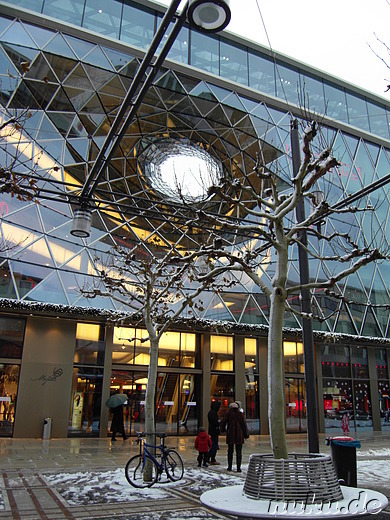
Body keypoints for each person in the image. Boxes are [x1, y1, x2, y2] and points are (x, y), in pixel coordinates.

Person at [219, 401, 249, 472]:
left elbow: (223, 422)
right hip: (239, 435)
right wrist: (245, 434)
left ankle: (230, 467)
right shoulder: (240, 414)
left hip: (231, 434)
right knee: (239, 452)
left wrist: (223, 430)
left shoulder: (228, 414)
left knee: (230, 451)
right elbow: (244, 425)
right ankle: (238, 468)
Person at [207, 400, 221, 465]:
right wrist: (219, 423)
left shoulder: (210, 413)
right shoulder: (213, 414)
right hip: (214, 431)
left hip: (212, 430)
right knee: (214, 445)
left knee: (213, 444)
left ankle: (208, 457)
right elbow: (215, 423)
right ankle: (212, 458)